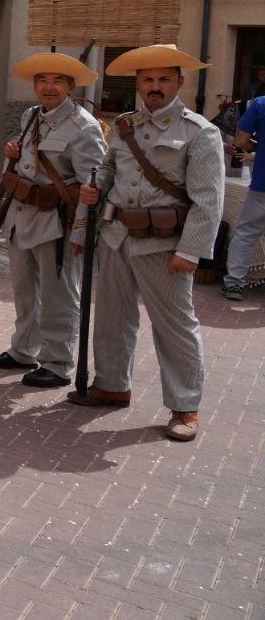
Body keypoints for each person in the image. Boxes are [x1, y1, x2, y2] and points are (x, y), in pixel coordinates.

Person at [70, 45, 224, 442]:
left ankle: (185, 406)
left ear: (179, 82)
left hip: (165, 244)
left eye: (163, 79)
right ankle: (112, 384)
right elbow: (106, 171)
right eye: (147, 80)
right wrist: (93, 192)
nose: (154, 87)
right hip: (116, 235)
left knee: (174, 326)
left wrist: (191, 251)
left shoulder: (200, 132)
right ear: (138, 83)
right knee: (111, 316)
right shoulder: (123, 125)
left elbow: (209, 198)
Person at [0, 53, 106, 387]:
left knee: (58, 295)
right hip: (23, 216)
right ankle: (24, 350)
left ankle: (58, 361)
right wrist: (13, 152)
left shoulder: (84, 126)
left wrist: (81, 233)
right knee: (24, 291)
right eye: (42, 80)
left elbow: (91, 184)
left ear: (71, 86)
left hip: (57, 222)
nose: (48, 87)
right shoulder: (31, 116)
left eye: (57, 81)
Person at [222, 89, 264, 300]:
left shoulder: (260, 104)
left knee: (247, 234)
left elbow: (239, 141)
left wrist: (258, 147)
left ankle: (234, 284)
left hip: (261, 184)